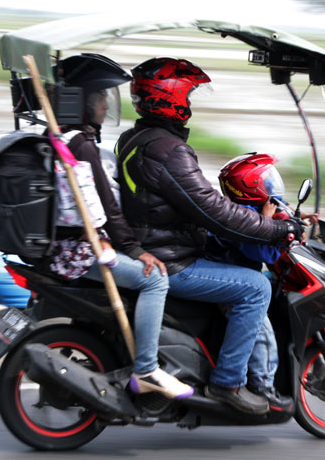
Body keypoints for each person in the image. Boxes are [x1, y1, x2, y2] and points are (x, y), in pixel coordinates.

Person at [115, 57, 304, 414]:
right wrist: (277, 228)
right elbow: (213, 211)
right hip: (171, 259)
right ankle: (228, 383)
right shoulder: (168, 150)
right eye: (187, 95)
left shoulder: (135, 138)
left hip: (152, 244)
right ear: (168, 98)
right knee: (256, 286)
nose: (189, 104)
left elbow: (192, 201)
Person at [50, 53, 193, 400]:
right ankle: (146, 369)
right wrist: (135, 250)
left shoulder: (62, 136)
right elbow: (107, 207)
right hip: (80, 252)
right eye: (100, 98)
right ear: (83, 102)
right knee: (155, 279)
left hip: (68, 245)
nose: (105, 106)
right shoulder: (80, 144)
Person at [210, 152, 318, 412]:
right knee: (262, 329)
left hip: (234, 272)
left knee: (272, 283)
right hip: (231, 281)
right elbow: (261, 251)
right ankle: (263, 385)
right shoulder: (244, 218)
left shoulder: (240, 207)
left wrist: (293, 216)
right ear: (250, 186)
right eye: (266, 182)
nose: (270, 188)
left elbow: (272, 211)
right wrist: (271, 224)